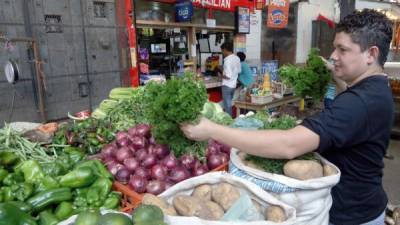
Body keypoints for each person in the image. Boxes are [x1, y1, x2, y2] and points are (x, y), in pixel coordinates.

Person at [181, 9, 393, 225]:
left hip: (352, 216)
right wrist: (337, 78)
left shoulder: (359, 103)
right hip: (364, 204)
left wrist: (212, 130)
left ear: (371, 54)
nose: (333, 56)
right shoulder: (375, 89)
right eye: (335, 47)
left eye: (343, 49)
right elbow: (351, 111)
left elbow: (288, 145)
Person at [219, 42, 241, 117]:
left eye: (222, 50)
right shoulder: (237, 58)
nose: (222, 52)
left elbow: (227, 76)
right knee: (229, 104)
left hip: (227, 85)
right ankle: (230, 120)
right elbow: (239, 71)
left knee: (227, 106)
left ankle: (229, 122)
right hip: (233, 85)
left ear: (225, 50)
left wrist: (221, 76)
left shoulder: (227, 60)